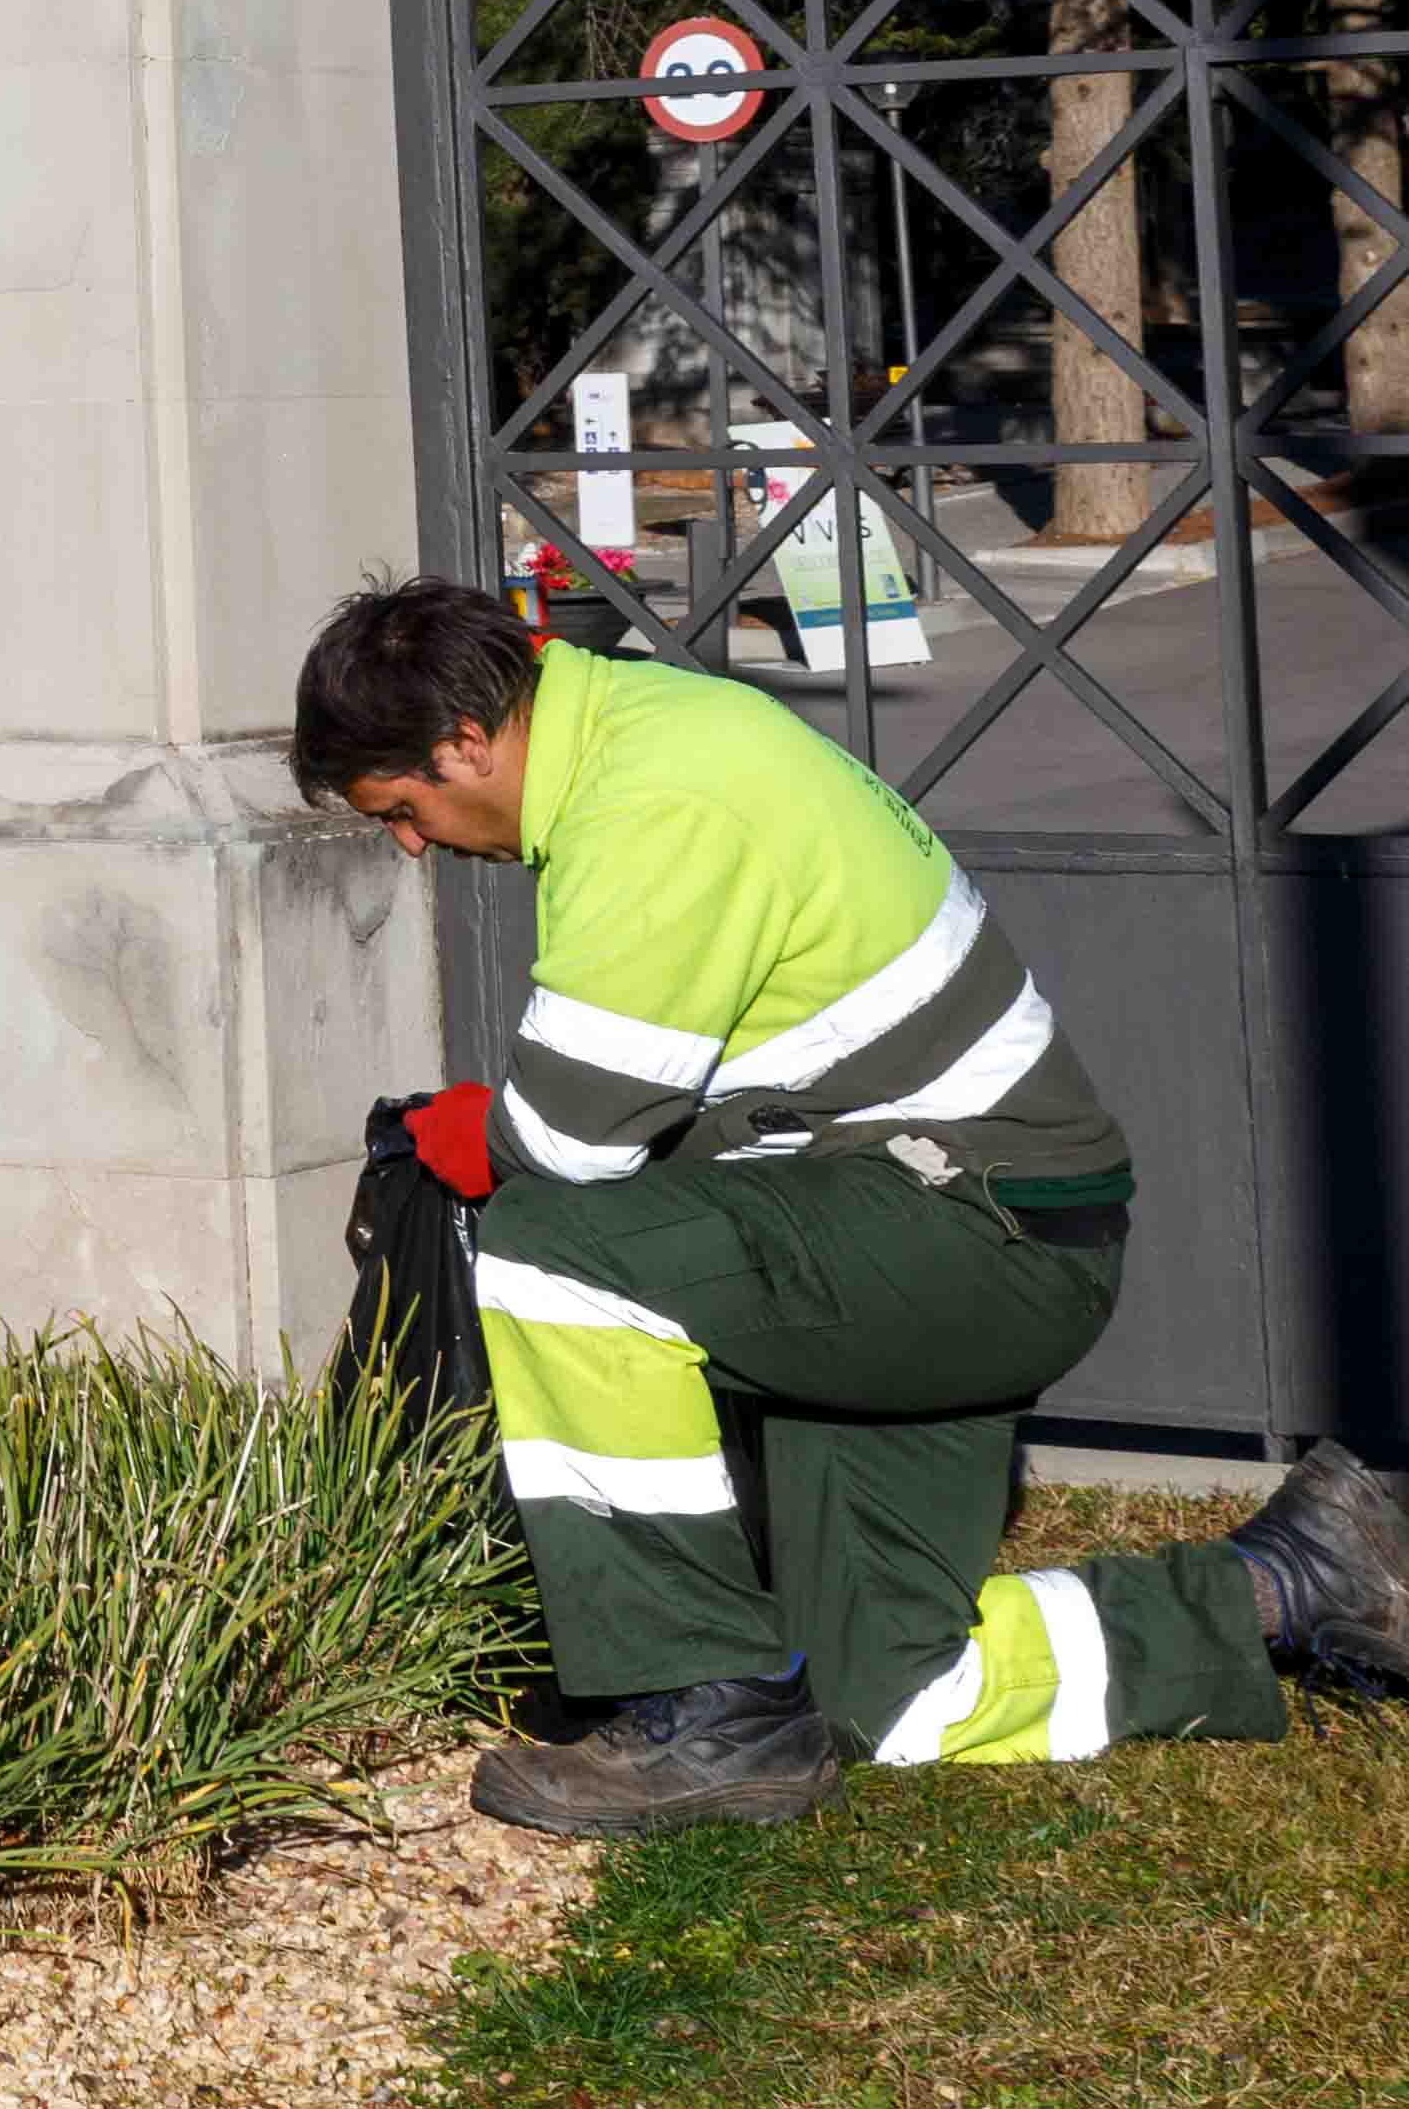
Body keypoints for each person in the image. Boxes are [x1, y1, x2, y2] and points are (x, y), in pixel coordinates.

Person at [294, 579, 1409, 1837]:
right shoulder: (641, 735)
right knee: (885, 1697)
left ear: (463, 745)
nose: (409, 842)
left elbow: (561, 1145)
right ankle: (1293, 1577)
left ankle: (701, 1703)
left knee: (550, 1255)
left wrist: (469, 1131)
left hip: (967, 1230)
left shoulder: (652, 801)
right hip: (929, 1218)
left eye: (402, 809)